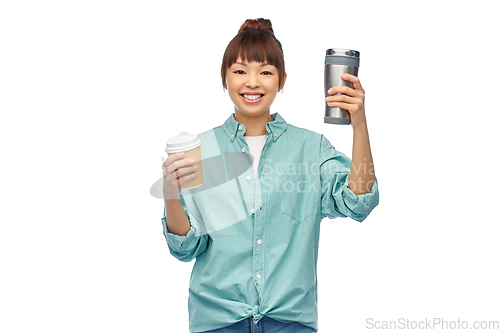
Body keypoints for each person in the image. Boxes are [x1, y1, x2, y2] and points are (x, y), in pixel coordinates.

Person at [161, 18, 379, 333]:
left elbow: (358, 202)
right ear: (224, 77)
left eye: (265, 72)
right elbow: (185, 247)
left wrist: (359, 125)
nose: (252, 82)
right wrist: (170, 193)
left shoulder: (310, 148)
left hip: (290, 322)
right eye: (239, 71)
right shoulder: (200, 149)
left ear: (282, 79)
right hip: (218, 321)